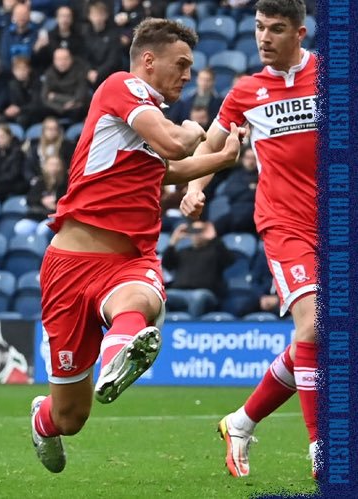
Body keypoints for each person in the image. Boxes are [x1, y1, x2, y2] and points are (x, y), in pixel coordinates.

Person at [29, 18, 244, 474]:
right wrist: (194, 130)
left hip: (129, 260)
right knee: (70, 418)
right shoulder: (121, 87)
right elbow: (174, 145)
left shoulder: (143, 121)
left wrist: (222, 159)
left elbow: (164, 171)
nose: (187, 74)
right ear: (148, 60)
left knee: (143, 298)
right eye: (181, 64)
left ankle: (117, 358)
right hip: (70, 267)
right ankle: (42, 419)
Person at [178, 0, 320, 478]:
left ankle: (240, 422)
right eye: (259, 27)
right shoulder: (245, 91)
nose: (264, 38)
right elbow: (211, 143)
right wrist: (194, 188)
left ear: (299, 33)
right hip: (285, 224)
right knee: (314, 325)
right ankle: (323, 448)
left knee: (317, 338)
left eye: (276, 29)